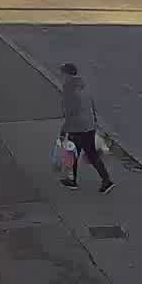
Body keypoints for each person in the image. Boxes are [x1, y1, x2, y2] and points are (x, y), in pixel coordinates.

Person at [58, 62, 113, 192]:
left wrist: (64, 129)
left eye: (62, 73)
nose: (61, 76)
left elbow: (70, 112)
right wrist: (94, 122)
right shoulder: (84, 85)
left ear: (66, 74)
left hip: (77, 127)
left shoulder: (68, 89)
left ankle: (72, 180)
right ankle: (106, 180)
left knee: (72, 152)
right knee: (91, 154)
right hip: (89, 126)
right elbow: (92, 105)